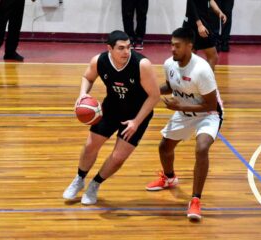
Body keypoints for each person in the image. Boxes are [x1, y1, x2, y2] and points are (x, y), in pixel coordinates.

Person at [63, 30, 160, 205]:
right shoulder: (99, 61)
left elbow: (155, 96)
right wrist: (83, 94)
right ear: (109, 49)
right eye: (121, 48)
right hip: (112, 108)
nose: (126, 52)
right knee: (90, 146)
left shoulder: (141, 64)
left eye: (129, 47)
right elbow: (87, 77)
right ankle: (79, 179)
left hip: (137, 115)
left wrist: (136, 122)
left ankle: (95, 184)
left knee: (118, 157)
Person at [146, 27, 224, 220]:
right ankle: (170, 178)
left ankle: (196, 200)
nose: (173, 49)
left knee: (202, 148)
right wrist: (151, 90)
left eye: (177, 46)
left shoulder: (202, 70)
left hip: (208, 114)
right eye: (171, 45)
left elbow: (211, 105)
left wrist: (179, 107)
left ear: (190, 46)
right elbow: (170, 86)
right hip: (184, 110)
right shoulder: (169, 64)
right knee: (164, 147)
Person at [184, 0, 227, 71]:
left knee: (191, 56)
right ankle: (206, 81)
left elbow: (210, 0)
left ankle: (193, 80)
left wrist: (219, 12)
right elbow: (191, 2)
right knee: (212, 57)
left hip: (200, 21)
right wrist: (199, 24)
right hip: (195, 22)